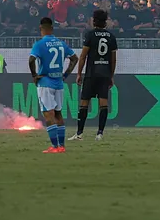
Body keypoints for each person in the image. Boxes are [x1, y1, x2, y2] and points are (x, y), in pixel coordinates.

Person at [29, 17, 77, 153]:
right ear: (52, 28)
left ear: (41, 28)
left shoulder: (39, 44)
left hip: (45, 82)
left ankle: (55, 146)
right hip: (59, 83)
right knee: (58, 113)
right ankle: (61, 146)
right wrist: (66, 74)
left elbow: (31, 59)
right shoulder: (61, 43)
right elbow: (74, 58)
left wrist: (34, 76)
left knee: (48, 114)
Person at [73, 9, 117, 140]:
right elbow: (113, 59)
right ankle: (100, 133)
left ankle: (79, 133)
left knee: (84, 103)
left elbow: (83, 56)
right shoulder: (111, 36)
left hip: (91, 73)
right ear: (105, 22)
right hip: (104, 74)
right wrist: (111, 75)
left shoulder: (90, 35)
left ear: (94, 20)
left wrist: (79, 73)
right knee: (103, 103)